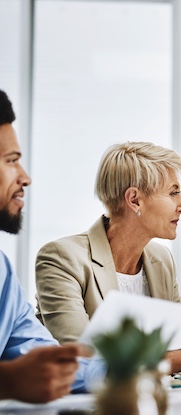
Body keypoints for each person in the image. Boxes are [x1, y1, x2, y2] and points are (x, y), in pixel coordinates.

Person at [35, 141, 181, 375]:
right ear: (134, 200)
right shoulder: (62, 258)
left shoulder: (161, 259)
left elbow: (179, 348)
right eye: (174, 192)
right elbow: (84, 359)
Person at [0, 89, 102, 402]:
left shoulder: (1, 271)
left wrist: (141, 363)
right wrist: (7, 383)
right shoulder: (64, 256)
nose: (25, 177)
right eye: (12, 161)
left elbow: (52, 362)